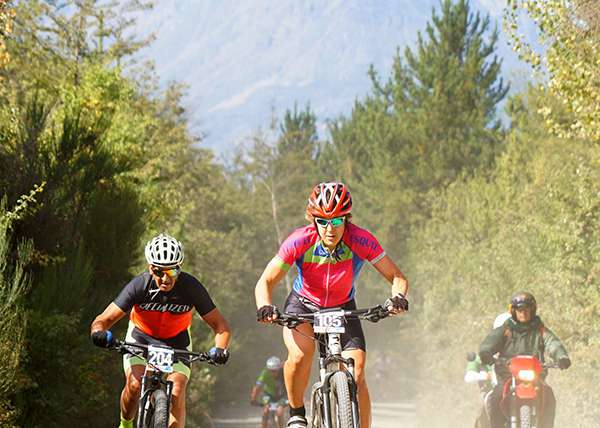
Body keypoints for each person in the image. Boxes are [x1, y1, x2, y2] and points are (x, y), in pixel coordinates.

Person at [254, 182, 409, 428]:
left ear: (347, 219)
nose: (330, 228)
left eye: (337, 221)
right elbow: (266, 281)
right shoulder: (299, 241)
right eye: (323, 221)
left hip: (342, 307)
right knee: (299, 355)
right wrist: (265, 305)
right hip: (303, 305)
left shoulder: (360, 239)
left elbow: (397, 277)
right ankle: (296, 414)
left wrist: (398, 297)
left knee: (357, 374)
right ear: (312, 219)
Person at [90, 233, 231, 428]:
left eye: (172, 272)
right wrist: (98, 332)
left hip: (176, 342)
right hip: (140, 338)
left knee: (177, 392)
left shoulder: (190, 287)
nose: (165, 279)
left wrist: (220, 349)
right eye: (158, 272)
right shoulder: (139, 286)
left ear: (179, 268)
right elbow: (103, 319)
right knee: (134, 385)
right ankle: (125, 424)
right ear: (150, 268)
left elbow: (220, 325)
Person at [479, 292, 571, 428]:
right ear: (513, 311)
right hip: (507, 375)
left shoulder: (540, 330)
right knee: (495, 397)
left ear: (532, 310)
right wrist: (486, 352)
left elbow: (553, 343)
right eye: (520, 310)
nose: (523, 313)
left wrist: (561, 357)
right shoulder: (506, 329)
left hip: (535, 377)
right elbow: (491, 341)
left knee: (549, 395)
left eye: (527, 310)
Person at [464, 313, 510, 428]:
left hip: (515, 388)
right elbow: (468, 377)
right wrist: (485, 376)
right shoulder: (482, 357)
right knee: (484, 405)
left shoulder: (520, 355)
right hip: (491, 391)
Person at [251, 356, 288, 428]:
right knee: (265, 411)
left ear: (279, 368)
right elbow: (257, 387)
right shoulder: (265, 373)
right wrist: (253, 399)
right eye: (270, 370)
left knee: (279, 412)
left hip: (282, 395)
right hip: (268, 395)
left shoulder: (284, 371)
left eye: (275, 370)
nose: (273, 372)